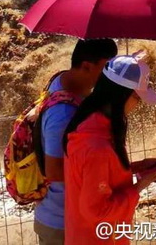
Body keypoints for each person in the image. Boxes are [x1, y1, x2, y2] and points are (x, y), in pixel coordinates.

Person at [62, 52, 156, 244]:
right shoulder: (97, 146)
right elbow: (97, 211)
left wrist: (135, 167)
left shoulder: (86, 124)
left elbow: (92, 174)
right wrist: (140, 186)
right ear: (121, 96)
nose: (138, 103)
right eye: (137, 97)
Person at [33, 39, 118, 245]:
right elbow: (53, 170)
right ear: (87, 66)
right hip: (63, 223)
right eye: (106, 68)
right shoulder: (63, 114)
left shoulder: (63, 80)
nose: (110, 75)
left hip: (66, 217)